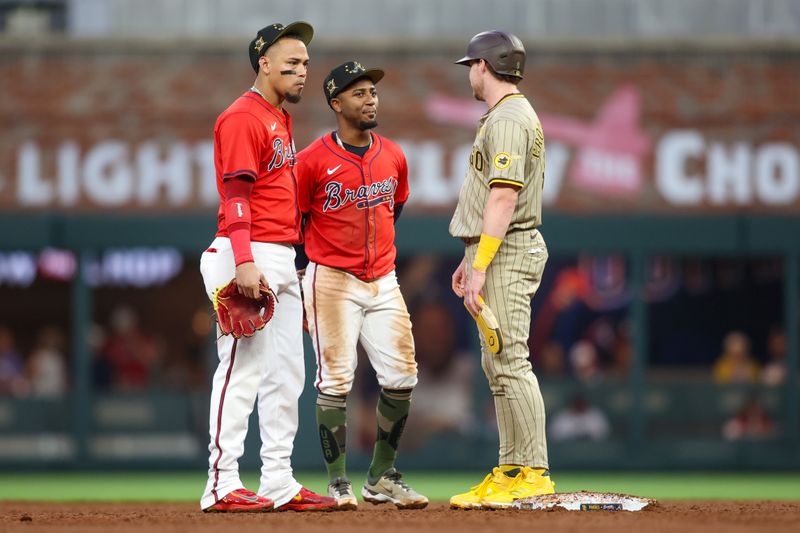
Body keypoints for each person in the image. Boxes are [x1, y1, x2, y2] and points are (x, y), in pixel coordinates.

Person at [198, 22, 334, 513]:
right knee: (242, 368)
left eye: (305, 64)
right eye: (292, 64)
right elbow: (235, 195)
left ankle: (277, 478)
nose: (302, 72)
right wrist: (247, 260)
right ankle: (220, 482)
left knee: (287, 373)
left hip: (276, 253)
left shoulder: (278, 118)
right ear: (264, 64)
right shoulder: (242, 117)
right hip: (244, 250)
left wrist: (290, 264)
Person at [294, 61, 428, 510]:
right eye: (359, 93)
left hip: (382, 277)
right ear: (336, 103)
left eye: (373, 91)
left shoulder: (392, 154)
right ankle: (337, 482)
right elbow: (293, 222)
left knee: (403, 376)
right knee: (335, 380)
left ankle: (381, 476)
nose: (370, 99)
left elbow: (396, 208)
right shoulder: (311, 160)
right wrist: (300, 273)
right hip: (331, 277)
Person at [448, 30, 555, 510]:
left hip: (508, 251)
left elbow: (504, 196)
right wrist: (469, 257)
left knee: (510, 360)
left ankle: (533, 471)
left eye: (471, 64)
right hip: (494, 250)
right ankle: (512, 468)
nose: (470, 72)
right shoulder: (502, 115)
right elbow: (488, 201)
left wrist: (482, 262)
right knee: (498, 365)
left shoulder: (509, 117)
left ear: (484, 66)